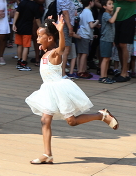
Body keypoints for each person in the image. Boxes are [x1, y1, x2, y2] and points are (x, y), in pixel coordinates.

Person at [25, 16, 119, 164]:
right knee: (45, 120)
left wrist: (61, 31)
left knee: (72, 121)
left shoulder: (55, 52)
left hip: (59, 90)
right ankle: (47, 154)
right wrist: (48, 23)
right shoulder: (45, 53)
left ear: (49, 39)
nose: (37, 39)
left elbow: (62, 48)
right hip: (48, 91)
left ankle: (101, 115)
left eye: (39, 36)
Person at [13, 0, 41, 71]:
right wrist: (40, 27)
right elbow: (37, 19)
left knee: (19, 45)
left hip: (19, 26)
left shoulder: (22, 3)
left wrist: (14, 24)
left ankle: (19, 61)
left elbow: (17, 13)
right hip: (28, 27)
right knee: (26, 46)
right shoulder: (35, 6)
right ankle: (23, 63)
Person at [56, 0, 76, 77]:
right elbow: (65, 13)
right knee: (65, 50)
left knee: (64, 49)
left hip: (64, 25)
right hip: (64, 25)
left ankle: (61, 72)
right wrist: (70, 27)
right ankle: (62, 73)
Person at [76, 0, 100, 78]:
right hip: (85, 35)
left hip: (81, 33)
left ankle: (79, 70)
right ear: (90, 2)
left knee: (80, 54)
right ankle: (81, 71)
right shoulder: (89, 12)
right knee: (84, 54)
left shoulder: (83, 11)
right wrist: (97, 21)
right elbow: (91, 26)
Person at [99, 0, 121, 84]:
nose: (112, 5)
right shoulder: (105, 14)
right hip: (105, 39)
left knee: (107, 59)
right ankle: (102, 77)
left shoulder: (108, 14)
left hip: (109, 40)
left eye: (112, 3)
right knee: (105, 59)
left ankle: (105, 76)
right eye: (109, 4)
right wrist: (117, 11)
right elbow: (112, 21)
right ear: (104, 6)